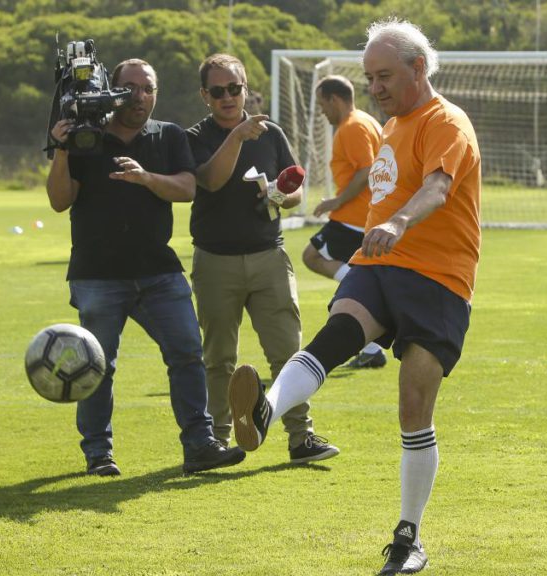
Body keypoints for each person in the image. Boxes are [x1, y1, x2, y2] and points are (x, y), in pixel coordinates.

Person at [228, 19, 481, 575]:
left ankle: (409, 537)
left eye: (385, 75)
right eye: (370, 77)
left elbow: (437, 188)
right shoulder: (389, 127)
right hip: (380, 265)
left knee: (413, 411)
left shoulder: (446, 122)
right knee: (336, 333)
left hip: (439, 278)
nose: (376, 86)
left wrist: (398, 222)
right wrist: (378, 236)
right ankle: (265, 411)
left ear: (418, 68)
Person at [46, 58, 246, 477]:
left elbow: (188, 188)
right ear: (112, 91)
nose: (140, 96)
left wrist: (146, 178)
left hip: (158, 271)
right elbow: (60, 200)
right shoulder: (88, 139)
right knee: (97, 366)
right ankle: (99, 453)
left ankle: (199, 445)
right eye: (130, 87)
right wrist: (62, 150)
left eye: (148, 88)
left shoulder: (168, 135)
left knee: (188, 354)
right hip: (97, 273)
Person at [186, 54, 339, 464]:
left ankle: (300, 438)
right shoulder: (197, 136)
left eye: (234, 88)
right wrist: (236, 136)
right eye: (217, 91)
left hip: (268, 255)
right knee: (218, 357)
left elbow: (294, 189)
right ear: (205, 96)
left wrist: (276, 194)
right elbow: (211, 181)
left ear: (246, 87)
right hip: (215, 260)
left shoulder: (270, 133)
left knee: (288, 351)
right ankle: (216, 440)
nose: (227, 97)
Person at [302, 75, 387, 369]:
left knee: (312, 256)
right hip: (364, 216)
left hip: (354, 216)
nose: (322, 111)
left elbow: (365, 170)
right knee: (357, 275)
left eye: (323, 103)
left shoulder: (352, 127)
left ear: (334, 99)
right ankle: (373, 348)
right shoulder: (367, 121)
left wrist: (335, 202)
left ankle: (368, 319)